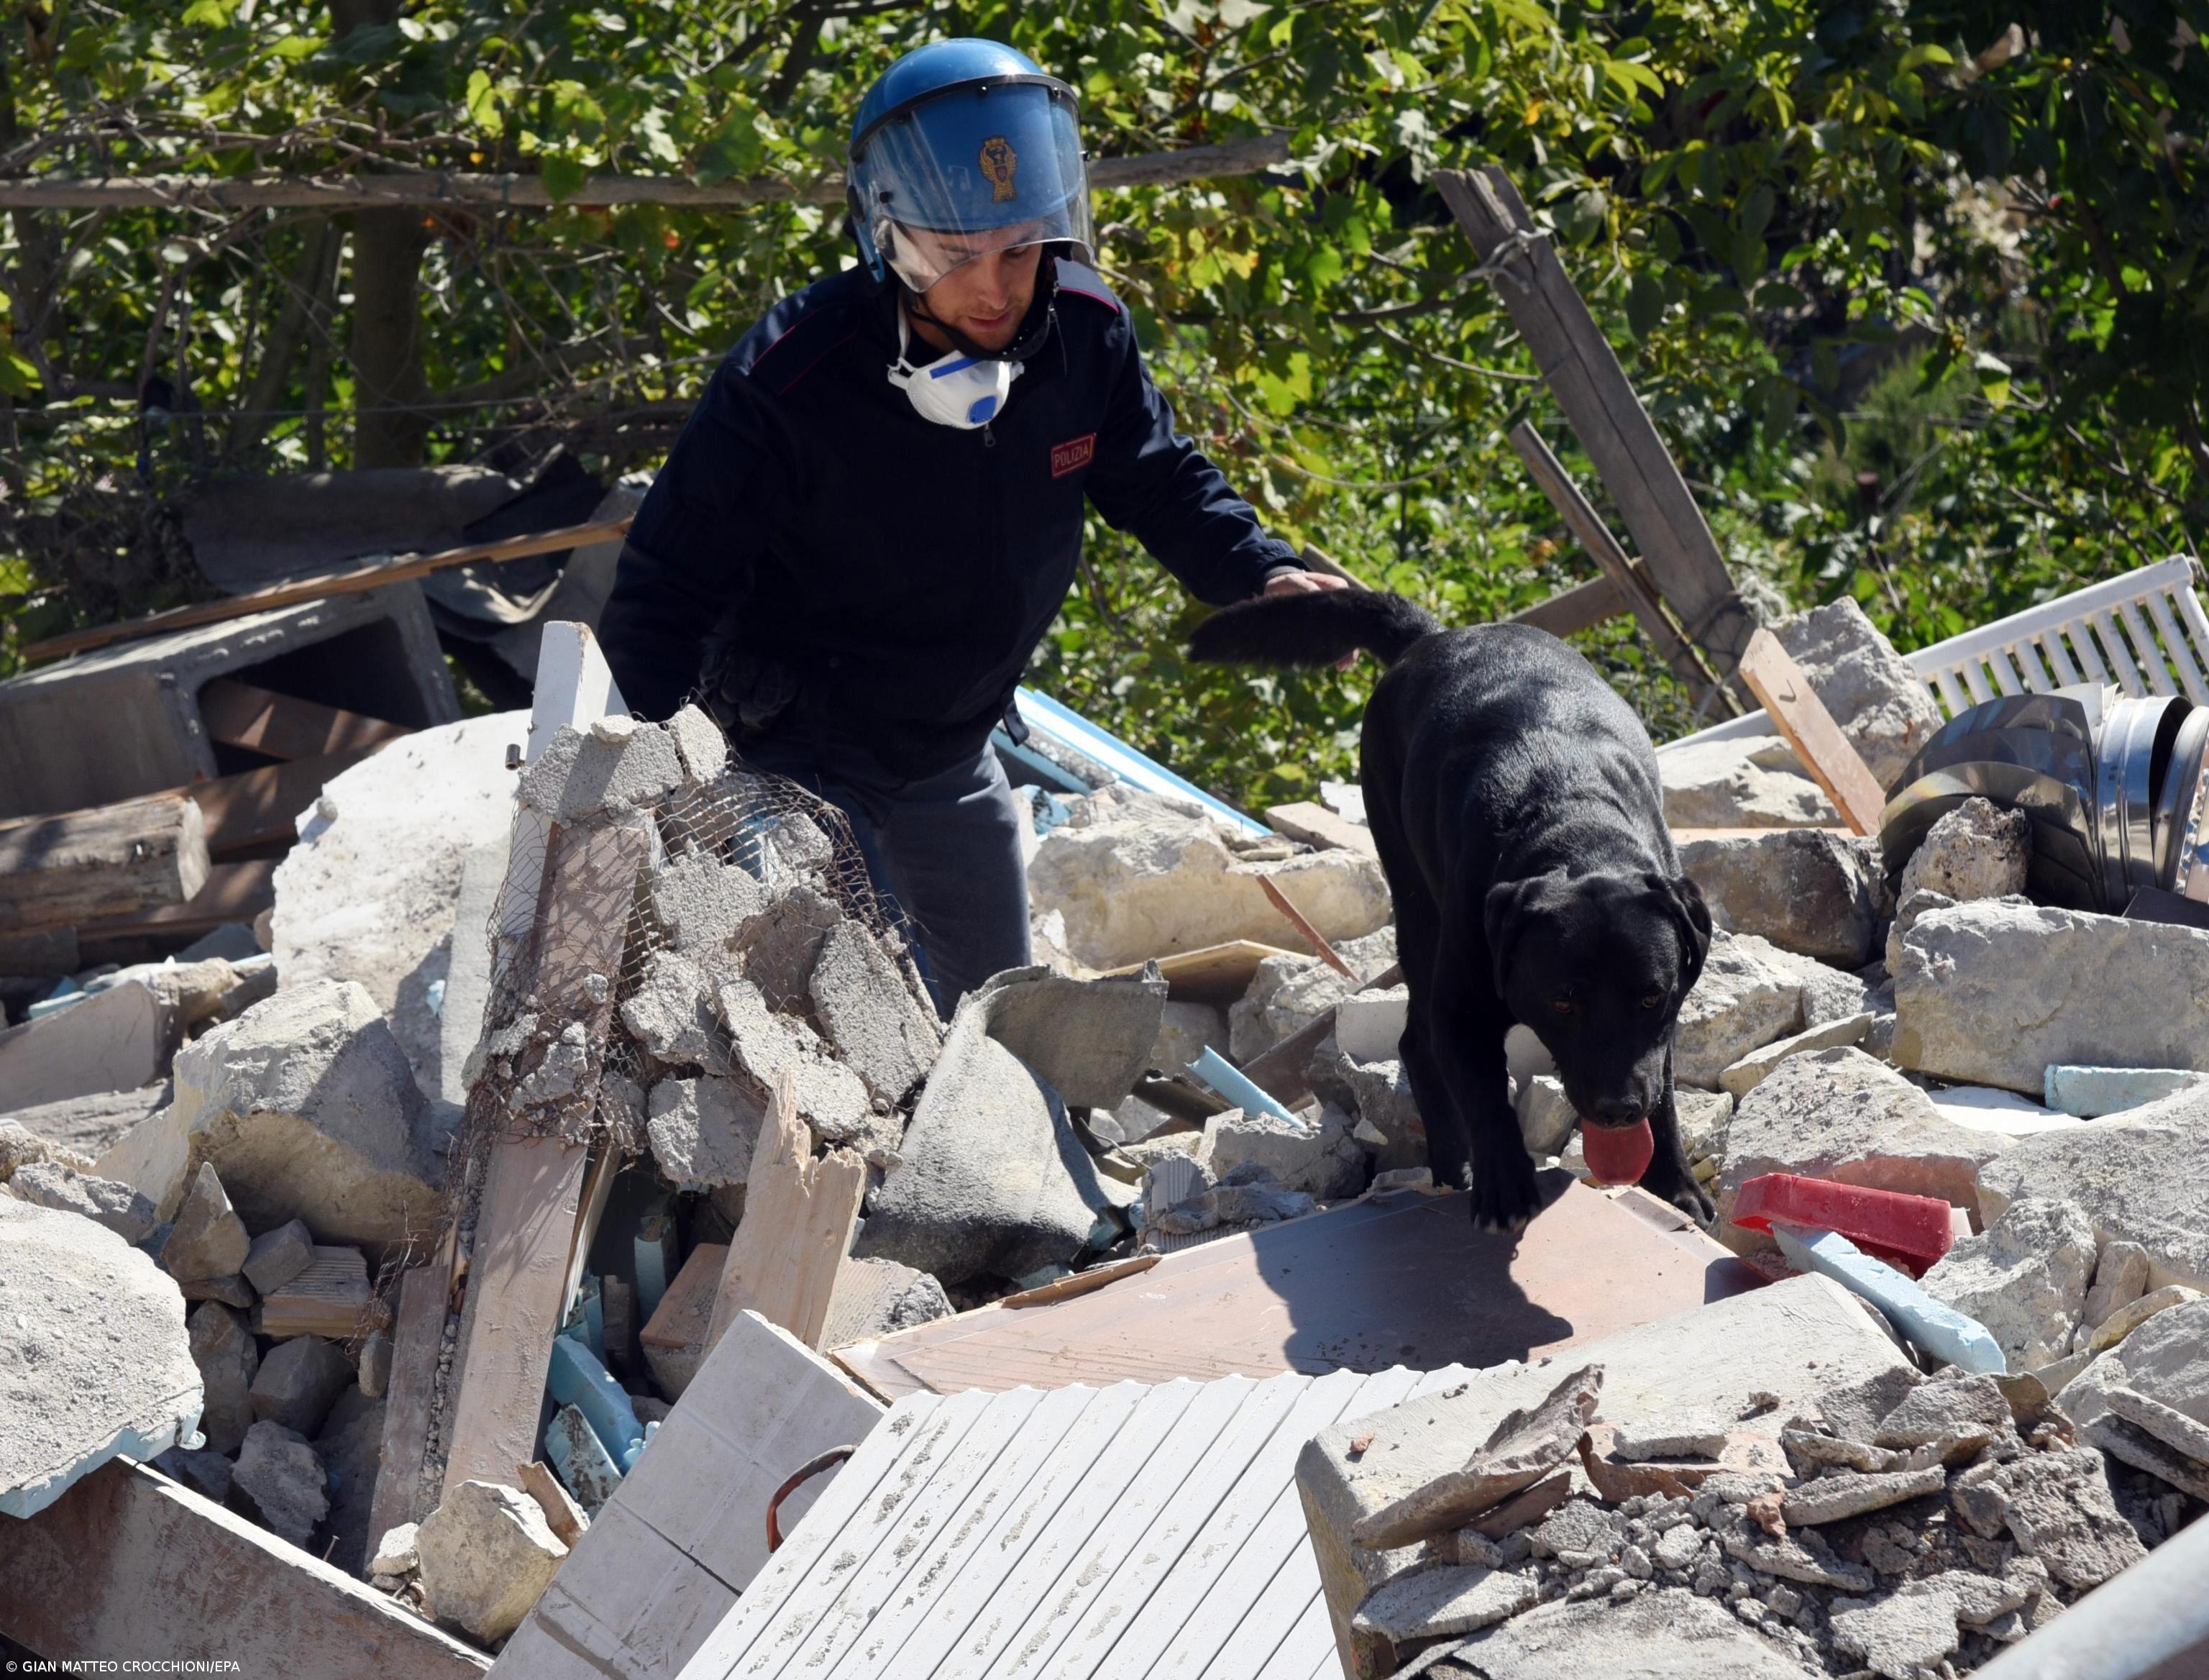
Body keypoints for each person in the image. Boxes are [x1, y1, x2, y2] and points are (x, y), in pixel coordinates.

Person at [599, 37, 1342, 1013]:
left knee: (999, 1037)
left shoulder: (1086, 332)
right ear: (889, 236)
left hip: (954, 751)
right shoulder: (789, 380)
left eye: (1021, 249)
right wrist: (638, 789)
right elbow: (665, 589)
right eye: (958, 257)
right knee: (852, 1038)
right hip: (799, 757)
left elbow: (1160, 479)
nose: (996, 289)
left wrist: (1263, 573)